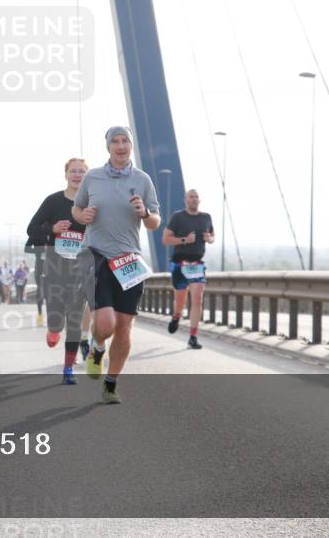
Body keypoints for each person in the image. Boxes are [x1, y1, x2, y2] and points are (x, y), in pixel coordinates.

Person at [72, 126, 160, 404]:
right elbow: (77, 208)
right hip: (96, 256)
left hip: (129, 260)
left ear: (130, 146)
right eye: (115, 142)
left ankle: (111, 384)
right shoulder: (93, 177)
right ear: (108, 146)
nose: (121, 146)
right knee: (105, 323)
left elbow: (155, 222)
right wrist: (82, 216)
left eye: (125, 141)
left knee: (124, 326)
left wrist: (145, 212)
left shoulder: (143, 179)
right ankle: (98, 347)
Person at [28, 157, 90, 384]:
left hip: (80, 271)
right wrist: (52, 228)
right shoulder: (53, 201)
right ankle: (53, 329)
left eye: (81, 171)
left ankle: (68, 368)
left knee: (74, 319)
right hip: (55, 269)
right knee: (57, 321)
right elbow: (31, 229)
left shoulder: (92, 204)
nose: (77, 175)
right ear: (66, 175)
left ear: (87, 176)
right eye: (73, 171)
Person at [162, 189, 214, 349]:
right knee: (180, 301)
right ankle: (177, 316)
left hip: (197, 264)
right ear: (185, 200)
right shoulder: (178, 217)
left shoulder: (206, 217)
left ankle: (193, 336)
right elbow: (166, 239)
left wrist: (209, 239)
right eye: (191, 196)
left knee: (197, 298)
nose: (194, 199)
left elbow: (212, 236)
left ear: (199, 200)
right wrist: (185, 240)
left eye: (196, 196)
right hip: (179, 264)